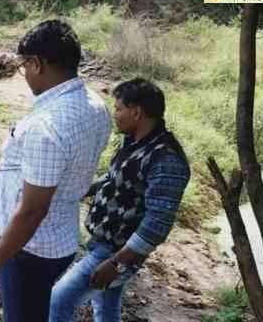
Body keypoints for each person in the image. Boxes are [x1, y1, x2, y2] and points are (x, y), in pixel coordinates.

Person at [0, 20, 112, 322]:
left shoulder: (46, 126)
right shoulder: (97, 106)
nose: (25, 75)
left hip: (30, 250)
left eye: (24, 67)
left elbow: (32, 212)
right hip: (62, 238)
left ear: (37, 64)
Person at [48, 78, 191, 322]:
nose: (115, 115)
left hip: (115, 252)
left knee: (59, 300)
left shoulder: (166, 159)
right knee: (105, 309)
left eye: (118, 108)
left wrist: (115, 264)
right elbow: (114, 179)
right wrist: (74, 191)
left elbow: (157, 225)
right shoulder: (135, 144)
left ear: (136, 112)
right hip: (104, 244)